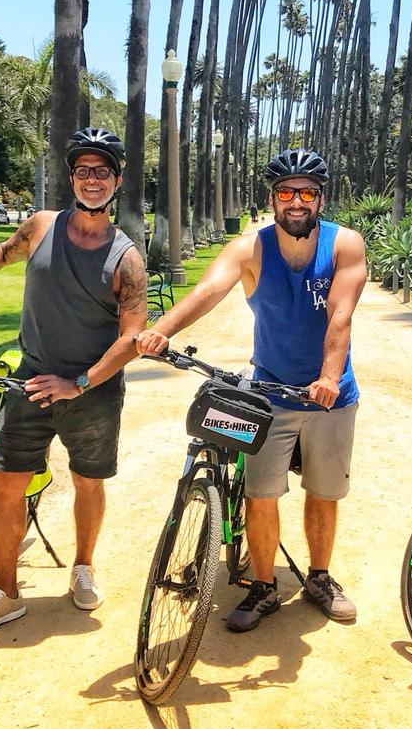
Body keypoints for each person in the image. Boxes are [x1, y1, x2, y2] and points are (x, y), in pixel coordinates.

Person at [137, 149, 367, 632]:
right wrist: (163, 330)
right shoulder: (251, 249)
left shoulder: (345, 245)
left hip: (330, 395)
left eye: (307, 192)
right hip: (269, 392)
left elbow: (339, 317)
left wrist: (328, 375)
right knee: (261, 494)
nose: (296, 202)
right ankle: (264, 586)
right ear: (273, 199)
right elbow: (206, 291)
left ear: (321, 199)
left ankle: (320, 578)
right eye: (287, 193)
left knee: (324, 493)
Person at [0, 127, 147, 638]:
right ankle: (7, 593)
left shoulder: (127, 259)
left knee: (88, 481)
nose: (92, 179)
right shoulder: (41, 226)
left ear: (117, 180)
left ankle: (83, 567)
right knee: (6, 484)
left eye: (102, 171)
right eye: (83, 171)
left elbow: (130, 338)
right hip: (31, 381)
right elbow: (5, 252)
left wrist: (79, 383)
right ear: (72, 178)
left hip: (92, 392)